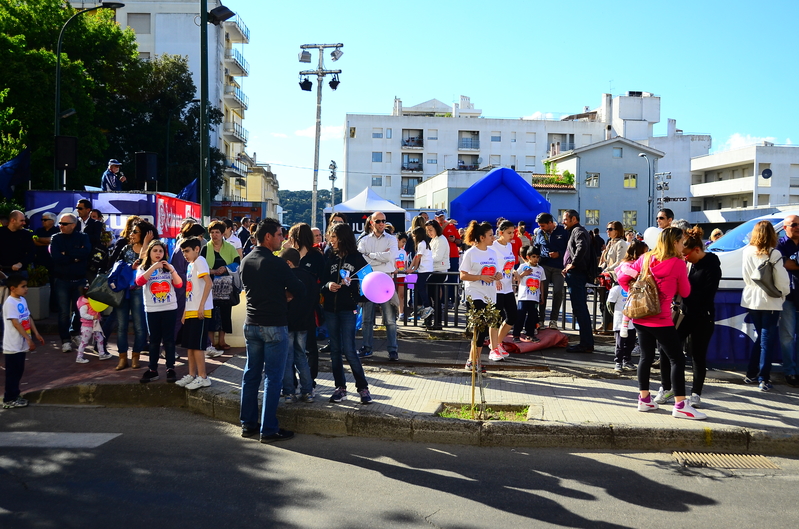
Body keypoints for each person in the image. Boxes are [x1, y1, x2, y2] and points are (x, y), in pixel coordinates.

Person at [618, 227, 706, 420]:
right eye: (682, 241)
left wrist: (635, 291)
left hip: (640, 315)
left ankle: (644, 399)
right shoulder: (678, 263)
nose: (684, 245)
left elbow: (622, 277)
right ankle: (681, 405)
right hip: (661, 318)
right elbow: (685, 292)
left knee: (645, 357)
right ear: (674, 243)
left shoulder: (646, 258)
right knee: (677, 359)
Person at [239, 219, 305, 442]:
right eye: (279, 234)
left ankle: (248, 424)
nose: (282, 238)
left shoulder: (246, 260)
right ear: (268, 236)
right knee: (273, 378)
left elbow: (248, 289)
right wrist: (286, 296)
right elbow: (299, 288)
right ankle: (268, 429)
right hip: (274, 325)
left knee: (251, 375)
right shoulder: (276, 263)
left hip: (251, 324)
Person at [667, 226, 721, 407]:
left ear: (697, 250)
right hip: (685, 314)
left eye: (687, 254)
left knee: (698, 355)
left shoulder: (712, 266)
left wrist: (685, 292)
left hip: (702, 316)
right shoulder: (687, 263)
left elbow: (707, 294)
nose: (685, 257)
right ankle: (670, 388)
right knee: (671, 350)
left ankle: (696, 393)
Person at [321, 222, 373, 404]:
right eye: (330, 237)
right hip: (330, 309)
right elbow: (323, 281)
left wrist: (355, 286)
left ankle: (363, 388)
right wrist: (328, 285)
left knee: (349, 349)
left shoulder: (357, 258)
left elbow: (368, 280)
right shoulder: (329, 256)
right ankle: (340, 388)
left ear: (343, 238)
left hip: (348, 309)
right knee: (335, 350)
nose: (331, 240)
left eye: (334, 237)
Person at [741, 220, 790, 392]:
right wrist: (784, 293)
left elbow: (746, 276)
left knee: (761, 339)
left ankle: (751, 374)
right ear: (772, 234)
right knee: (766, 341)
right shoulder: (773, 253)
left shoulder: (746, 252)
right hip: (769, 300)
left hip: (751, 298)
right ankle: (763, 378)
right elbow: (783, 280)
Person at [108, 218, 155, 370]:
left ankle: (136, 357)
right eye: (131, 231)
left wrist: (147, 244)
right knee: (121, 326)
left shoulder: (152, 249)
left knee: (139, 327)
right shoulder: (126, 249)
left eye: (135, 232)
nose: (131, 234)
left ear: (144, 234)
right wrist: (130, 266)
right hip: (123, 291)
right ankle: (122, 358)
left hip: (139, 291)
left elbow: (145, 262)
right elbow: (117, 266)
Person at [136, 240, 183, 384]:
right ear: (149, 252)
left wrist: (172, 270)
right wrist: (153, 267)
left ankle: (170, 368)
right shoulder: (143, 267)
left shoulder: (169, 267)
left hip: (169, 308)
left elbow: (179, 284)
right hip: (152, 309)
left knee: (169, 340)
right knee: (154, 340)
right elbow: (139, 282)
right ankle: (153, 369)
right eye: (155, 250)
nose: (158, 253)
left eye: (161, 251)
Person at [459, 220, 502, 370]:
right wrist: (480, 277)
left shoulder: (492, 253)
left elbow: (497, 271)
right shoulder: (470, 253)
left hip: (490, 294)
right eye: (491, 235)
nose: (494, 237)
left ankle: (472, 360)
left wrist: (498, 275)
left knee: (482, 332)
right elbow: (463, 275)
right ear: (482, 237)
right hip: (474, 293)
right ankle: (475, 362)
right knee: (480, 328)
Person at [357, 212, 400, 360]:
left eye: (384, 221)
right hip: (368, 280)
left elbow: (390, 257)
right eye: (379, 221)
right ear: (372, 223)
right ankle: (367, 348)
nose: (382, 223)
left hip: (384, 280)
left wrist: (371, 255)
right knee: (367, 319)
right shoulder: (363, 240)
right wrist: (381, 257)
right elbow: (361, 259)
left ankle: (393, 350)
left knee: (389, 319)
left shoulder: (391, 239)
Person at [287, 222, 325, 381]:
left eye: (291, 237)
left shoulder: (316, 256)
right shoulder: (289, 254)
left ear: (297, 237)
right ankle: (291, 382)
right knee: (289, 348)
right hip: (289, 307)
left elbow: (322, 280)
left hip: (310, 307)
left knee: (309, 347)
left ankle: (310, 380)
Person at [279, 247, 316, 403]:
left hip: (288, 322)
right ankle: (307, 390)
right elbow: (314, 299)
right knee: (301, 356)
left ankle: (288, 392)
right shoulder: (310, 277)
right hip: (305, 322)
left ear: (288, 263)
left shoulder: (287, 278)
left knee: (287, 358)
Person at [176, 237, 214, 390]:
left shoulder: (200, 261)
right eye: (183, 251)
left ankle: (203, 377)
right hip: (191, 310)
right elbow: (190, 290)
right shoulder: (190, 265)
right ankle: (192, 375)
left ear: (196, 249)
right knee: (190, 346)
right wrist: (185, 311)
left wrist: (201, 306)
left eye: (187, 251)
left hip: (200, 310)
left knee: (198, 346)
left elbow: (209, 283)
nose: (185, 254)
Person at [50, 214, 91, 352]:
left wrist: (66, 254)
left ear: (73, 225)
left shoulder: (83, 236)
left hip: (79, 279)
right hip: (61, 280)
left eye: (64, 223)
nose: (61, 225)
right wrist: (74, 256)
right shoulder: (56, 238)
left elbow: (85, 252)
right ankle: (65, 340)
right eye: (60, 223)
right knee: (63, 312)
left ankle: (74, 332)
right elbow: (56, 257)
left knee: (79, 310)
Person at [3, 275, 44, 409]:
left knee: (19, 371)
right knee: (12, 373)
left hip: (21, 345)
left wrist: (36, 334)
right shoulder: (9, 303)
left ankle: (15, 395)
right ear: (13, 288)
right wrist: (28, 339)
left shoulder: (22, 300)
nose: (26, 289)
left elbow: (28, 317)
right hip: (12, 345)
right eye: (23, 287)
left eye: (26, 286)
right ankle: (9, 399)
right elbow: (16, 323)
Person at [201, 220, 240, 354]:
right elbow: (201, 265)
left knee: (225, 313)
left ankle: (222, 341)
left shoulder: (229, 247)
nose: (214, 235)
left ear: (223, 233)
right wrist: (212, 271)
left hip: (226, 285)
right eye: (212, 232)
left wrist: (226, 268)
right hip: (209, 285)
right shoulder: (206, 248)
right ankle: (212, 342)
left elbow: (237, 262)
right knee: (210, 313)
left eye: (217, 232)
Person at [561, 210, 594, 353]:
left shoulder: (578, 231)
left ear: (574, 219)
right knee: (579, 308)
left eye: (565, 219)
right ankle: (586, 342)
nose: (563, 222)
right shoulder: (576, 231)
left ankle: (586, 343)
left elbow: (582, 247)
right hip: (574, 274)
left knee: (580, 309)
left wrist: (572, 264)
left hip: (576, 275)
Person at [491, 219, 523, 357]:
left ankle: (498, 343)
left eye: (513, 233)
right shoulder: (492, 246)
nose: (512, 236)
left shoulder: (509, 246)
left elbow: (510, 265)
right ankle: (494, 348)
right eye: (509, 233)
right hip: (496, 287)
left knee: (512, 316)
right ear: (500, 233)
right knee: (497, 318)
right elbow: (489, 264)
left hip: (508, 286)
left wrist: (515, 272)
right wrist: (494, 277)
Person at [533, 212, 568, 328]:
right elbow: (536, 247)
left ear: (550, 223)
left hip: (558, 267)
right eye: (539, 226)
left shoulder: (563, 231)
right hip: (544, 266)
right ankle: (541, 319)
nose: (540, 228)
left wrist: (559, 254)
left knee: (558, 292)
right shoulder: (539, 233)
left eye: (543, 225)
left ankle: (553, 320)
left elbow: (570, 249)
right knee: (543, 292)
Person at [596, 221, 629, 334]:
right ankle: (605, 324)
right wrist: (599, 269)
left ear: (618, 231)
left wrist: (605, 270)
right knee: (603, 302)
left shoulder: (621, 243)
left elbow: (620, 261)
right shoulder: (610, 242)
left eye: (611, 229)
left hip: (616, 278)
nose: (608, 231)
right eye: (607, 229)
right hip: (606, 277)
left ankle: (611, 325)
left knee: (610, 303)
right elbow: (605, 260)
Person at [778, 214, 799, 388]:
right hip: (788, 297)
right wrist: (791, 262)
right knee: (788, 337)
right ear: (785, 228)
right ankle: (790, 372)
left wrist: (794, 262)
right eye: (794, 224)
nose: (798, 227)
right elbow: (785, 264)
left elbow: (792, 264)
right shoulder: (780, 245)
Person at [0, 210, 35, 301]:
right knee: (2, 300)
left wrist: (21, 263)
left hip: (20, 272)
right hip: (3, 272)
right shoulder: (1, 232)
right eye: (21, 221)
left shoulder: (26, 234)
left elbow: (32, 253)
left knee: (19, 300)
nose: (24, 223)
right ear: (12, 220)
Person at [512, 246, 543, 343]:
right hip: (524, 296)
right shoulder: (522, 266)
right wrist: (523, 274)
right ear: (528, 257)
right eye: (534, 256)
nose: (536, 259)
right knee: (520, 315)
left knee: (532, 316)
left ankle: (530, 334)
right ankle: (516, 334)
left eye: (538, 257)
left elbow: (541, 282)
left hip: (534, 297)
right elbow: (516, 279)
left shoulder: (540, 269)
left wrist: (542, 295)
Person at [74, 287, 111, 364]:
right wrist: (92, 317)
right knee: (84, 342)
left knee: (100, 339)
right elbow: (83, 315)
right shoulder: (84, 304)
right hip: (87, 326)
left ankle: (102, 354)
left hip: (95, 325)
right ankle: (79, 357)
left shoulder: (91, 302)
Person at [426, 219, 449, 328]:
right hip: (433, 270)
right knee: (432, 297)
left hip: (439, 270)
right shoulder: (434, 240)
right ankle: (433, 320)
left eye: (431, 230)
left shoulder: (441, 240)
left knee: (434, 297)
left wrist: (425, 259)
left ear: (436, 228)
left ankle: (437, 321)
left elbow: (437, 257)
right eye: (427, 230)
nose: (429, 232)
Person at [408, 226, 434, 322]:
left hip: (425, 270)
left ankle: (427, 306)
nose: (413, 238)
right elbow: (416, 257)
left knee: (420, 287)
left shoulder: (422, 244)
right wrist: (411, 268)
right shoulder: (423, 244)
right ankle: (424, 306)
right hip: (424, 269)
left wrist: (413, 268)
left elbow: (418, 258)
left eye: (414, 236)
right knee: (419, 287)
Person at [436, 211, 461, 308]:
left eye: (442, 216)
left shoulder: (451, 226)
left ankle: (454, 300)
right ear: (436, 218)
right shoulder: (437, 225)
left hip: (453, 255)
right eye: (439, 217)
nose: (441, 218)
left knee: (453, 279)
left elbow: (459, 241)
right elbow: (438, 233)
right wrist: (446, 223)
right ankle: (443, 301)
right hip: (442, 256)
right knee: (443, 279)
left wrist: (454, 240)